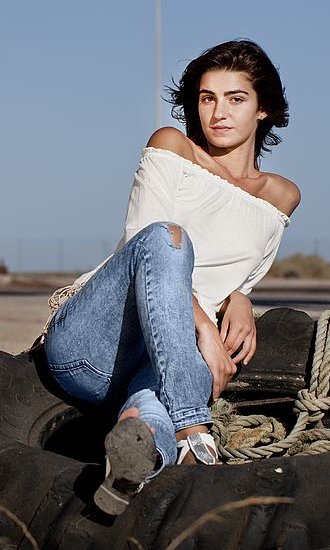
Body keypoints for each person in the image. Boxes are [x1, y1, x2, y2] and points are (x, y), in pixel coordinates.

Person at [41, 39, 301, 515]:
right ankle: (193, 427)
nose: (218, 112)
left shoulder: (281, 195)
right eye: (207, 98)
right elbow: (147, 243)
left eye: (235, 98)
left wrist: (242, 296)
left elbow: (239, 271)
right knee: (167, 237)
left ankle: (140, 458)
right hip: (96, 343)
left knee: (145, 409)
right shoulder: (172, 146)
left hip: (162, 355)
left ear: (264, 109)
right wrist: (205, 323)